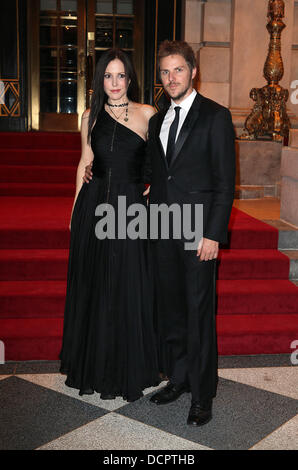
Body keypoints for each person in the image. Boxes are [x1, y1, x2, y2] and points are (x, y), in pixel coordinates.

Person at [84, 40, 236, 425]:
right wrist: (99, 173)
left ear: (193, 72)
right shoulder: (157, 119)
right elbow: (150, 174)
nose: (171, 78)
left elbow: (225, 182)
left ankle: (202, 394)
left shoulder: (215, 116)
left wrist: (213, 234)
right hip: (163, 227)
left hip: (197, 231)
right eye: (165, 72)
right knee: (170, 311)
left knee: (198, 314)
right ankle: (179, 378)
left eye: (178, 70)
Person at [59, 48, 160, 402]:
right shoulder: (90, 116)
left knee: (127, 284)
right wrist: (74, 211)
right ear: (100, 80)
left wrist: (152, 187)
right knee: (96, 284)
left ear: (130, 79)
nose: (114, 83)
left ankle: (128, 366)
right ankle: (96, 365)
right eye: (107, 76)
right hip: (95, 206)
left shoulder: (149, 114)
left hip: (131, 211)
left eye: (120, 76)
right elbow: (84, 161)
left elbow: (161, 164)